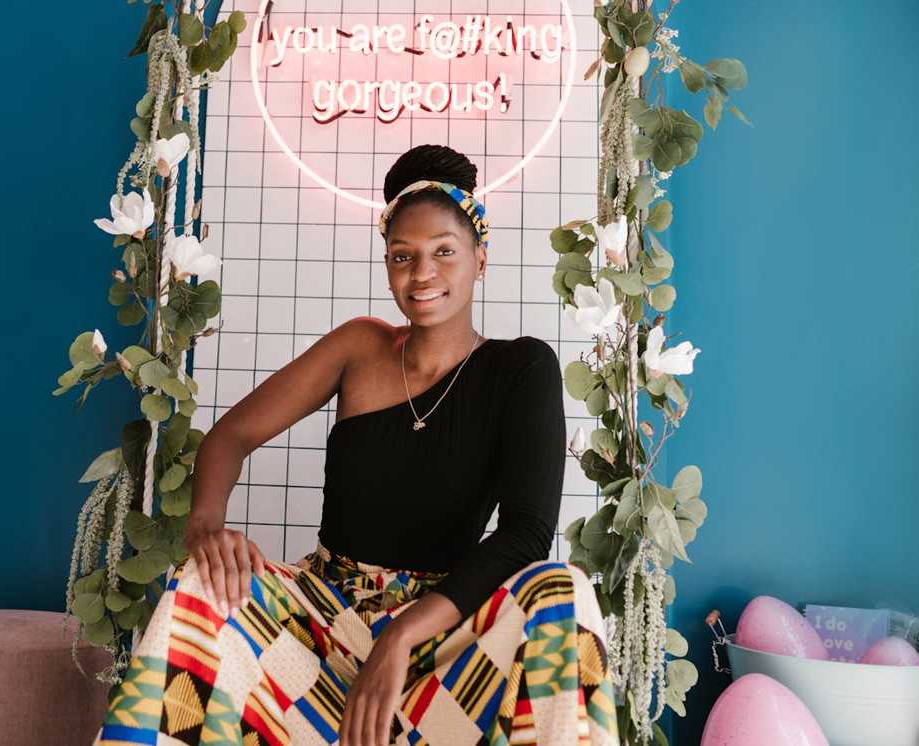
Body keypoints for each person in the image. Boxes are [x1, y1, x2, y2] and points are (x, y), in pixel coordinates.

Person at [93, 144, 619, 746]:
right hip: (316, 625)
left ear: (480, 256)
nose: (422, 274)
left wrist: (400, 636)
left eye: (444, 252)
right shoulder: (359, 348)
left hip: (440, 640)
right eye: (403, 256)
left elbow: (526, 532)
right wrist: (206, 531)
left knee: (563, 591)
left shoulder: (520, 368)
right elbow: (230, 437)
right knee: (200, 582)